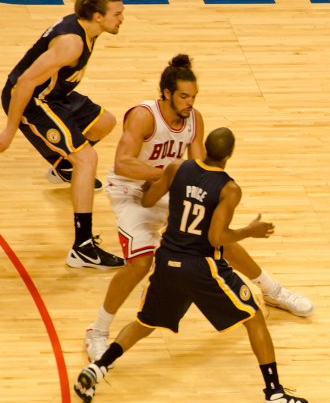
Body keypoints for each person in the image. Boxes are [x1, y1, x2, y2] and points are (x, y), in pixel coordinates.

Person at [83, 54, 314, 361]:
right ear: (166, 93)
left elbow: (200, 167)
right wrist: (166, 175)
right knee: (140, 263)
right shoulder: (144, 116)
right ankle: (97, 331)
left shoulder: (194, 118)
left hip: (167, 186)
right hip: (131, 193)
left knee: (214, 233)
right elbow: (122, 163)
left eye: (193, 96)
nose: (190, 102)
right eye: (183, 96)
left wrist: (210, 194)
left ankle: (272, 291)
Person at [74, 127, 309, 403]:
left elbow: (147, 201)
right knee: (254, 317)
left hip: (167, 260)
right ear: (229, 155)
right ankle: (274, 395)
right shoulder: (229, 188)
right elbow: (216, 238)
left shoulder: (177, 167)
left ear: (206, 148)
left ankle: (98, 368)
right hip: (202, 266)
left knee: (144, 323)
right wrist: (250, 231)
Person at [0, 0, 125, 269]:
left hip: (54, 96)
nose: (122, 19)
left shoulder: (87, 28)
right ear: (98, 16)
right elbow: (24, 83)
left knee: (105, 122)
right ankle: (83, 248)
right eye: (117, 14)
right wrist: (10, 130)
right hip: (32, 101)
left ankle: (63, 167)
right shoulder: (71, 43)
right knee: (87, 159)